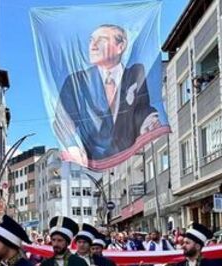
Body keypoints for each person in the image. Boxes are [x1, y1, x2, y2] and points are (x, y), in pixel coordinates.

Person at [56, 24, 165, 166]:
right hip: (92, 158)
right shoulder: (76, 82)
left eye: (101, 40)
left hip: (127, 155)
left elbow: (141, 109)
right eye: (91, 41)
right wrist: (72, 147)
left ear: (121, 46)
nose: (92, 46)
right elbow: (63, 121)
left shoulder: (135, 74)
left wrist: (149, 121)